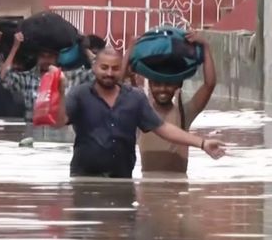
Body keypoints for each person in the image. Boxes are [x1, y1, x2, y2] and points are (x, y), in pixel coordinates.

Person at [52, 49, 225, 178]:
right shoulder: (80, 95)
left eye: (115, 68)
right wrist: (59, 92)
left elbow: (163, 128)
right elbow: (59, 122)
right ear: (94, 67)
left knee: (124, 225)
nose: (109, 73)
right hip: (84, 177)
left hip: (123, 178)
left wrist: (203, 143)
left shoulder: (135, 99)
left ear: (121, 70)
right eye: (104, 67)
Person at [130, 31, 216, 173]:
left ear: (178, 85)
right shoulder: (141, 111)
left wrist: (205, 47)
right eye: (157, 84)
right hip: (148, 189)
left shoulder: (185, 113)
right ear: (149, 84)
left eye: (169, 84)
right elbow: (119, 85)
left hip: (179, 188)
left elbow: (209, 84)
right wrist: (130, 50)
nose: (162, 89)